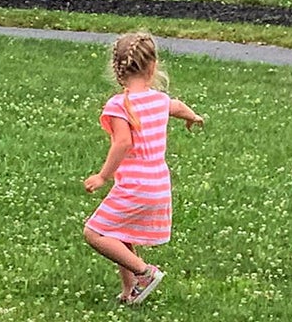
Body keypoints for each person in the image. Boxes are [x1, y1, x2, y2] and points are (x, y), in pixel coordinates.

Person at [84, 32, 204, 305]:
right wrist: (193, 116)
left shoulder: (119, 106)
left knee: (95, 233)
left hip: (135, 186)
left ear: (117, 70)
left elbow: (123, 142)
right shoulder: (159, 100)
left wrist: (103, 176)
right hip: (158, 184)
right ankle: (129, 292)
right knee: (121, 233)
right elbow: (177, 106)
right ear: (152, 67)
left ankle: (144, 272)